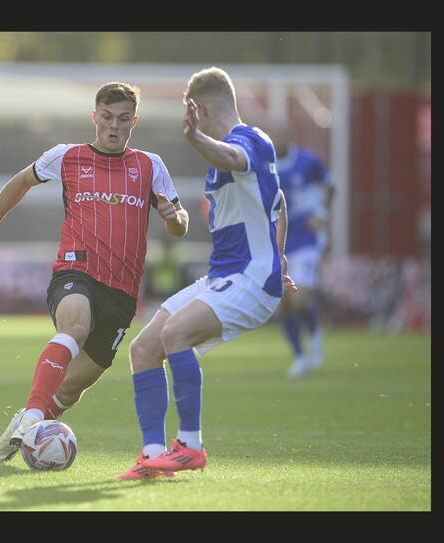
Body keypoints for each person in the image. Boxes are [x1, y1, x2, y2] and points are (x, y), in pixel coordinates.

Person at [0, 81, 189, 463]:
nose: (114, 126)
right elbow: (20, 182)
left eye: (123, 119)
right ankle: (35, 416)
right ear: (95, 117)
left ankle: (21, 427)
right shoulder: (66, 156)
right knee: (75, 326)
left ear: (133, 122)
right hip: (77, 270)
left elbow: (180, 223)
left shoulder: (150, 165)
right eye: (107, 117)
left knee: (70, 390)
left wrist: (175, 218)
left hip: (122, 292)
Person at [116, 67, 296, 479]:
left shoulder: (247, 140)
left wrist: (194, 137)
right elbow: (279, 200)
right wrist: (280, 251)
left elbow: (231, 158)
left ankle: (191, 446)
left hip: (250, 279)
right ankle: (153, 454)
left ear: (197, 108)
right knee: (143, 348)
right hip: (224, 276)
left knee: (174, 333)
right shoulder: (244, 148)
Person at [270, 124, 334, 378]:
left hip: (306, 239)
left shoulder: (308, 161)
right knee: (283, 306)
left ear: (289, 136)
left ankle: (315, 335)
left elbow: (331, 186)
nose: (278, 139)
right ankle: (299, 356)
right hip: (279, 242)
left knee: (299, 298)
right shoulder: (265, 167)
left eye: (282, 134)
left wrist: (322, 215)